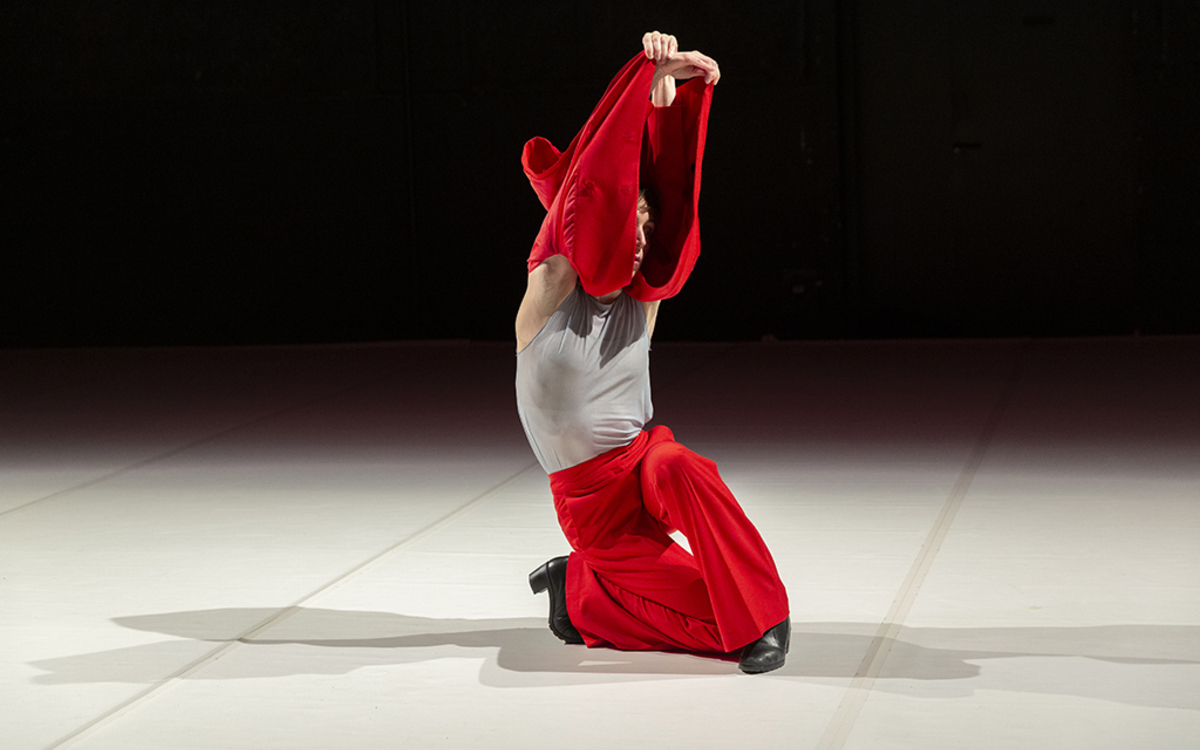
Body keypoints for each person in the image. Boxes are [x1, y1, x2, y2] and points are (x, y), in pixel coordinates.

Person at [515, 32, 790, 674]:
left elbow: (665, 195)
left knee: (684, 468)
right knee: (718, 623)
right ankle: (579, 590)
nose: (638, 237)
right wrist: (641, 79)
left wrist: (668, 107)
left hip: (645, 463)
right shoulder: (551, 287)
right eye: (629, 222)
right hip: (597, 514)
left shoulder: (645, 299)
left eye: (645, 225)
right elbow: (589, 188)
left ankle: (771, 613)